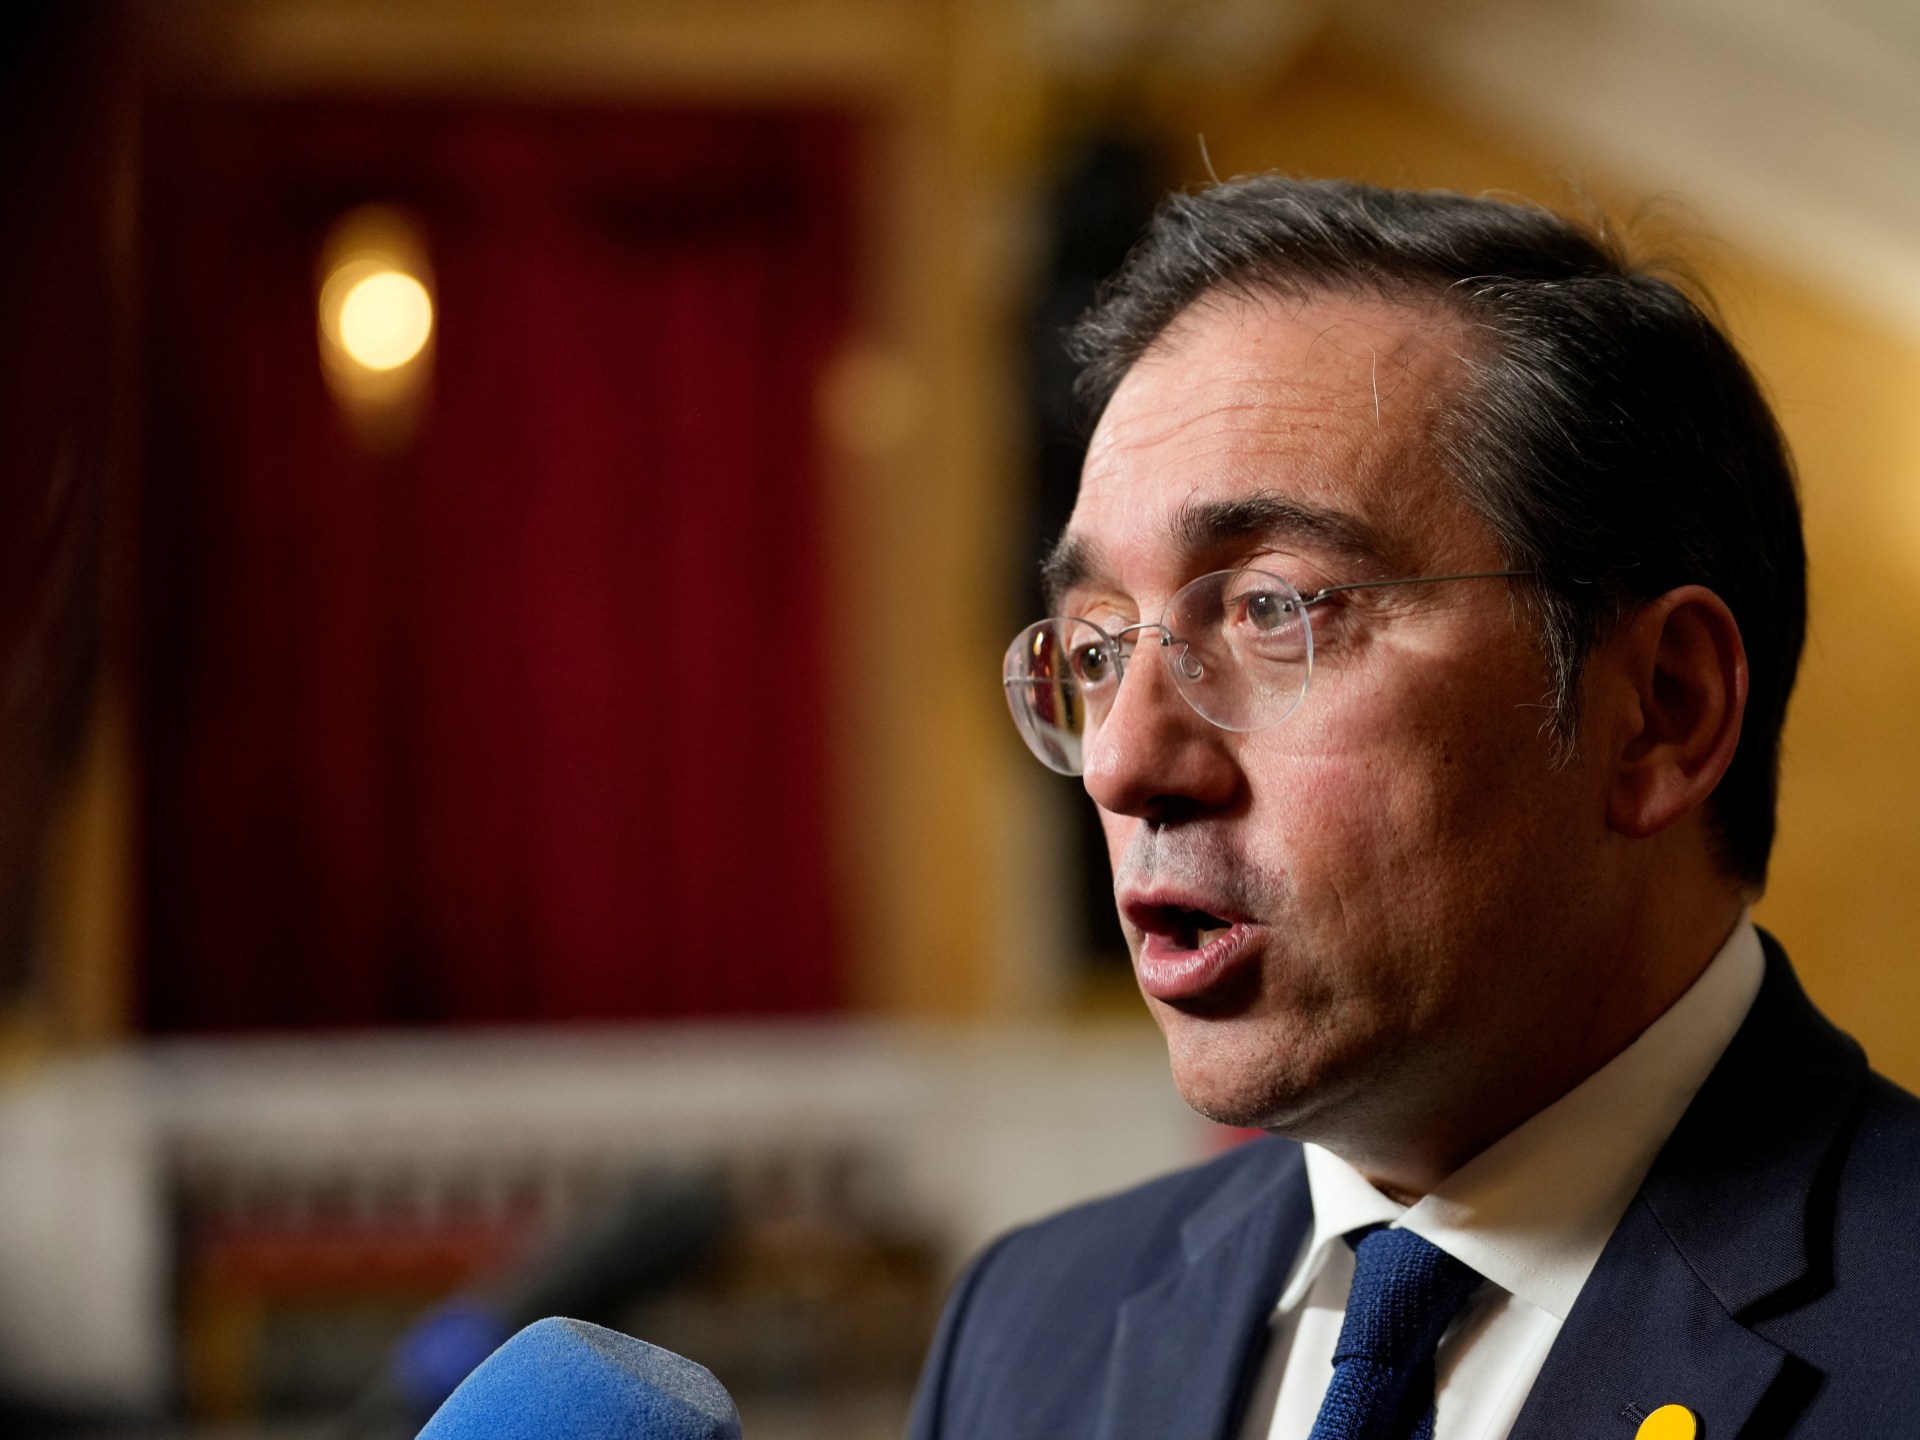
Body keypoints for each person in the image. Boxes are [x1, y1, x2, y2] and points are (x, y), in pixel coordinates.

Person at [908, 178, 1920, 1440]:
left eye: (1271, 610)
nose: (1122, 764)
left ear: (1661, 709)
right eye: (1097, 647)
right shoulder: (1026, 1328)